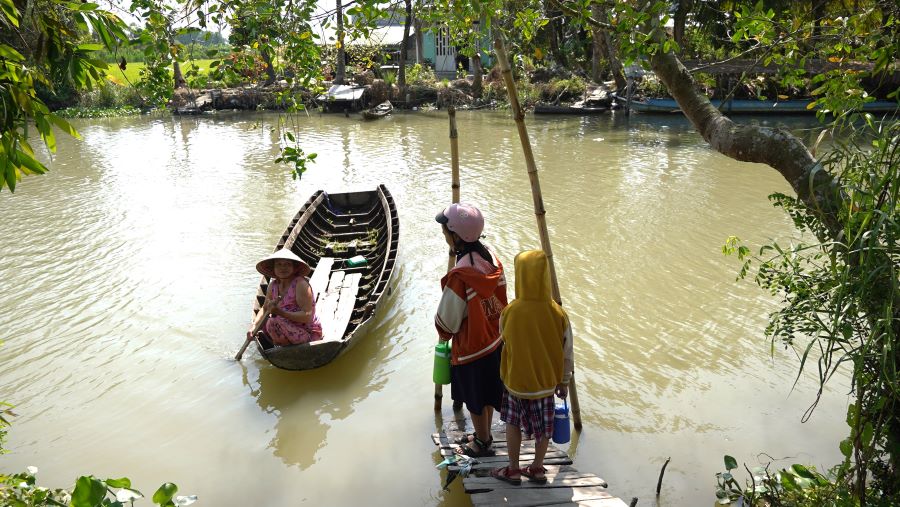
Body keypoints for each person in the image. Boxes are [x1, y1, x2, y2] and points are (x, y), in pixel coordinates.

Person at [491, 249, 574, 485]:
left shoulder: (510, 311)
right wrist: (564, 381)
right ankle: (537, 467)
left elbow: (504, 338)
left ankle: (513, 469)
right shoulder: (558, 313)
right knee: (544, 428)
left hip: (516, 381)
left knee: (513, 423)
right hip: (545, 384)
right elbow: (567, 352)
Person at [434, 203, 508, 457]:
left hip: (472, 348)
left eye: (446, 232)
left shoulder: (461, 276)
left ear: (456, 236)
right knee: (489, 393)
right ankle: (483, 434)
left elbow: (447, 323)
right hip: (495, 340)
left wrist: (442, 333)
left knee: (475, 399)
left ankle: (483, 442)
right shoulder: (491, 258)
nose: (444, 236)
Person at [248, 248, 323, 347]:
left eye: (287, 264)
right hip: (285, 329)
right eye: (279, 264)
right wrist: (254, 326)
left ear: (294, 268)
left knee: (272, 322)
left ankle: (287, 348)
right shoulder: (273, 286)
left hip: (307, 333)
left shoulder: (300, 284)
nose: (283, 268)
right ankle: (285, 347)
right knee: (265, 323)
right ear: (274, 268)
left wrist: (281, 313)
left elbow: (307, 316)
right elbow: (265, 308)